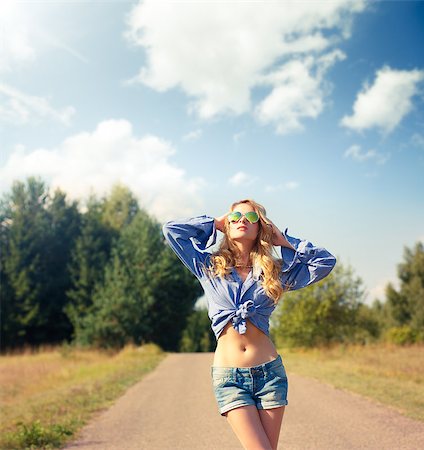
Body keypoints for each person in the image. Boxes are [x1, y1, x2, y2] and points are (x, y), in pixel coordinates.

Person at [162, 198, 336, 450]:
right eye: (236, 217)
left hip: (270, 374)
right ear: (227, 225)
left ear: (261, 228)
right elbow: (171, 230)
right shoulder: (208, 266)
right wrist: (216, 223)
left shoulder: (274, 272)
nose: (242, 221)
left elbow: (324, 262)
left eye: (251, 218)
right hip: (230, 377)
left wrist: (283, 240)